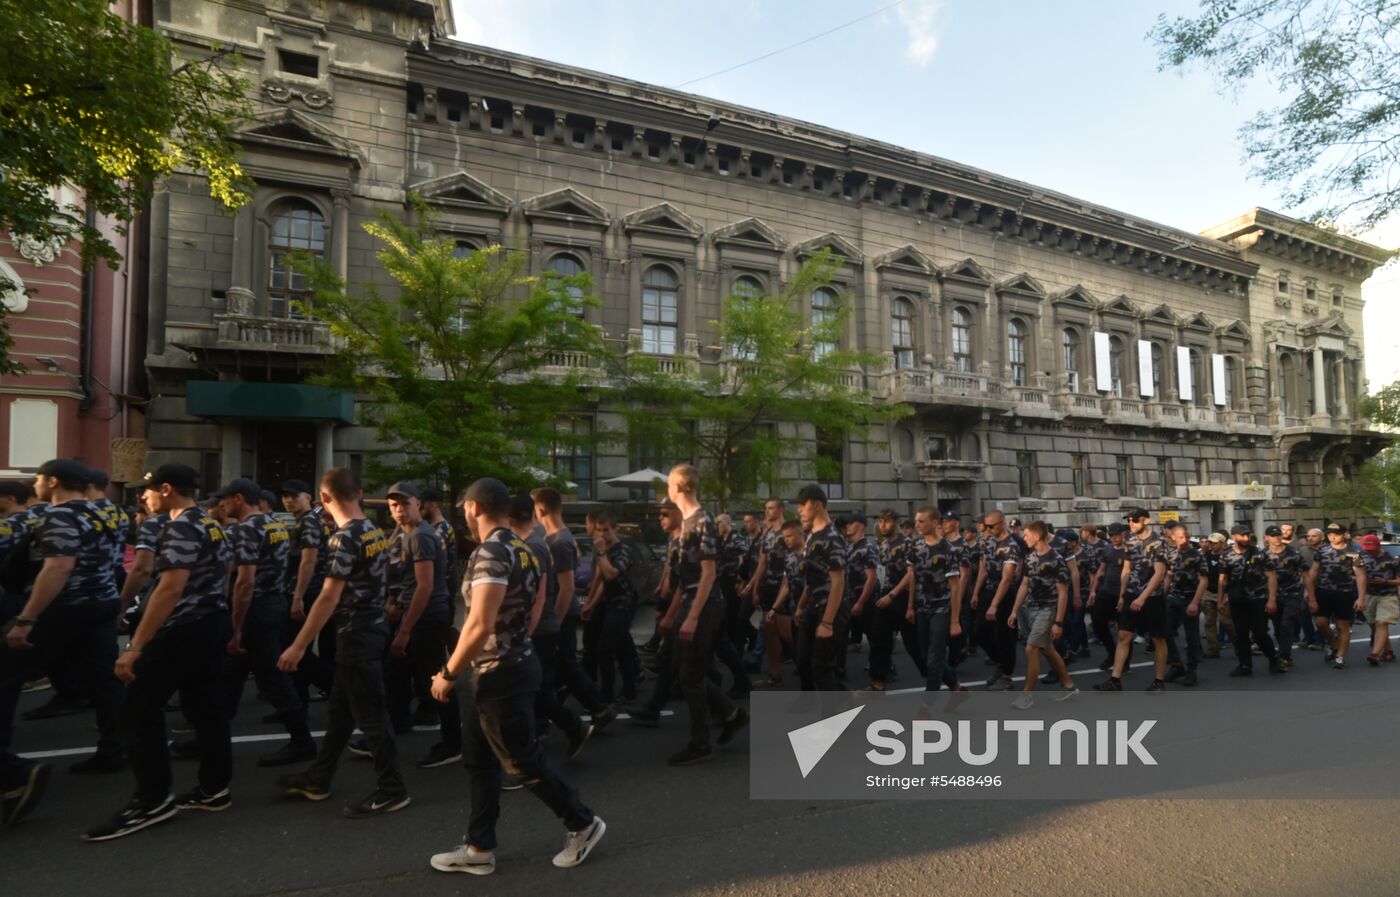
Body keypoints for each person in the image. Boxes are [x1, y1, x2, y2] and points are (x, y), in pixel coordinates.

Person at [427, 478, 604, 875]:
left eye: (464, 507)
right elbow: (535, 606)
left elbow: (479, 623)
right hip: (497, 667)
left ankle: (583, 823)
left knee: (521, 762)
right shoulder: (523, 549)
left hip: (501, 674)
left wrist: (448, 673)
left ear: (473, 507)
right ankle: (479, 847)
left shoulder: (492, 551)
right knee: (479, 761)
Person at [85, 464, 233, 840]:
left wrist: (135, 646)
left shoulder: (181, 525)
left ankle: (152, 800)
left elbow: (169, 588)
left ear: (166, 489)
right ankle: (214, 788)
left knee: (137, 707)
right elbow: (225, 570)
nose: (144, 498)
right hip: (212, 620)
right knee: (206, 708)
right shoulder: (211, 522)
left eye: (147, 491)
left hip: (185, 627)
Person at [2, 460, 127, 829]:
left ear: (53, 482)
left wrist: (26, 618)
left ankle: (11, 773)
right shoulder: (107, 513)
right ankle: (114, 748)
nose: (35, 486)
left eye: (38, 479)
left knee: (4, 675)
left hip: (63, 606)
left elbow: (58, 567)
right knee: (105, 681)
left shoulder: (58, 516)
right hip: (101, 604)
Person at [276, 468, 408, 818]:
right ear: (360, 494)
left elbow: (328, 596)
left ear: (323, 498)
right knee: (340, 712)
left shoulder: (344, 537)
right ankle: (318, 777)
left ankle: (392, 788)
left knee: (372, 716)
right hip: (372, 628)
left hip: (357, 634)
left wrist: (299, 646)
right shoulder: (374, 531)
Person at [216, 478, 312, 766]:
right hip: (274, 604)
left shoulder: (247, 529)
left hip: (256, 610)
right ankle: (211, 732)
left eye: (226, 499)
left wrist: (235, 627)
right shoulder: (275, 525)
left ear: (239, 499)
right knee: (231, 674)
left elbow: (245, 582)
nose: (221, 504)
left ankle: (302, 740)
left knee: (272, 676)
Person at [657, 465, 748, 766]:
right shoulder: (686, 523)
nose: (667, 488)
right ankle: (731, 713)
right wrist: (675, 614)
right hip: (691, 602)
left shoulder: (703, 521)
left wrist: (693, 616)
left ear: (679, 487)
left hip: (705, 605)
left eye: (669, 483)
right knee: (683, 669)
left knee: (690, 675)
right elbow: (687, 576)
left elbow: (708, 574)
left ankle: (701, 743)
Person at [384, 481, 462, 768]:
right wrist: (395, 603)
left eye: (405, 504)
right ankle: (390, 729)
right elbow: (408, 581)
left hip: (427, 617)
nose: (399, 510)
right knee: (395, 674)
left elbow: (425, 587)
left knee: (437, 681)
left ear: (419, 504)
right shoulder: (407, 534)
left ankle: (453, 743)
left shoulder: (421, 536)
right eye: (394, 505)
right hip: (418, 614)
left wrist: (404, 630)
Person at [529, 488, 613, 730]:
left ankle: (595, 708)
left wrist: (552, 623)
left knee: (565, 665)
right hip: (559, 614)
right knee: (564, 666)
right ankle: (595, 709)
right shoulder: (553, 538)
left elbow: (567, 588)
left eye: (534, 508)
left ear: (541, 509)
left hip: (561, 614)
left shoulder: (560, 541)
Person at [1095, 509, 1169, 692]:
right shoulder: (1129, 539)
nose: (1131, 523)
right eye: (1129, 520)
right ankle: (1115, 679)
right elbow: (1127, 568)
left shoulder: (1158, 542)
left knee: (1158, 638)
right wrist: (1122, 595)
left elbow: (1160, 573)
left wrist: (1143, 598)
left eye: (1135, 520)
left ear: (1146, 520)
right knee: (1123, 635)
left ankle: (1159, 681)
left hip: (1152, 597)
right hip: (1131, 593)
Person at [1006, 521, 1076, 707]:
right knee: (1047, 649)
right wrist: (1014, 610)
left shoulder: (1056, 559)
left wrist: (1059, 622)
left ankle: (1027, 695)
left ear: (1037, 537)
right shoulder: (1030, 557)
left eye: (1026, 534)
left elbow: (1063, 592)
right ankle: (1069, 686)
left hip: (1048, 609)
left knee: (1031, 648)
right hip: (1031, 609)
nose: (1023, 537)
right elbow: (1024, 584)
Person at [900, 506, 962, 692]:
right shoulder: (915, 547)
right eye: (916, 521)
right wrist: (910, 606)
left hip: (941, 609)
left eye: (921, 521)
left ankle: (928, 708)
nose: (917, 524)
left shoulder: (948, 549)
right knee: (927, 656)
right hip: (921, 607)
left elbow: (955, 586)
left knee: (934, 659)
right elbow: (912, 577)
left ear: (935, 523)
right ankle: (956, 688)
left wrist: (955, 621)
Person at [793, 485, 847, 695]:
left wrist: (827, 622)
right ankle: (842, 698)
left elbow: (838, 582)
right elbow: (812, 576)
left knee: (821, 666)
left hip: (831, 607)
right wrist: (801, 606)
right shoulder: (812, 535)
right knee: (802, 659)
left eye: (803, 505)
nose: (800, 510)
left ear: (816, 505)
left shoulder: (831, 537)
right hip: (813, 606)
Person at [587, 509, 640, 710]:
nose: (602, 535)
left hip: (623, 602)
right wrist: (590, 603)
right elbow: (599, 577)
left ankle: (606, 695)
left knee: (605, 649)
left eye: (606, 530)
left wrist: (601, 552)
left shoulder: (622, 550)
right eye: (599, 530)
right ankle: (630, 690)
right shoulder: (602, 548)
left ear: (615, 529)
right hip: (610, 602)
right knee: (622, 648)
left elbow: (610, 575)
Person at [1218, 523, 1284, 676]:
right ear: (1234, 536)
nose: (1246, 538)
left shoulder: (1259, 554)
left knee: (1259, 632)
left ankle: (1273, 657)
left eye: (1248, 535)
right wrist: (1220, 600)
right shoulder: (1226, 554)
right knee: (1240, 633)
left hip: (1258, 598)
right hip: (1237, 599)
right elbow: (1223, 579)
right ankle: (1245, 665)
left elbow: (1271, 577)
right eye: (1242, 535)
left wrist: (1271, 599)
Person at [867, 509, 919, 692]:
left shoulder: (907, 543)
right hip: (886, 594)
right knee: (879, 639)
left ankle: (949, 682)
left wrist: (892, 595)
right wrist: (885, 593)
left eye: (887, 522)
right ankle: (878, 681)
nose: (883, 525)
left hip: (903, 595)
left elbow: (910, 575)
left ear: (896, 522)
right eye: (880, 521)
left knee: (915, 646)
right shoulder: (883, 544)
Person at [745, 498, 791, 688]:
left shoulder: (788, 532)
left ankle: (809, 667)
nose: (767, 512)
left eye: (771, 508)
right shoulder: (767, 534)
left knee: (787, 632)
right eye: (765, 509)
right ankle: (775, 674)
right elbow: (761, 564)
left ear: (781, 509)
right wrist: (754, 589)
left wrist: (784, 591)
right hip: (767, 587)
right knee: (768, 630)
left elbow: (792, 563)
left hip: (784, 586)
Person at [973, 511, 1020, 690]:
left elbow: (1007, 578)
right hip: (989, 589)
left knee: (1004, 635)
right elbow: (983, 568)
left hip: (1006, 594)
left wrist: (994, 604)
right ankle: (1000, 662)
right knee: (980, 632)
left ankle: (1006, 675)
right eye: (986, 526)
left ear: (1003, 523)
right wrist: (976, 592)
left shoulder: (1011, 545)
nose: (988, 529)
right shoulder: (988, 542)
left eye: (992, 526)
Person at [1310, 522, 1366, 670]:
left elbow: (1360, 575)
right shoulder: (1322, 550)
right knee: (1320, 622)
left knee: (1343, 625)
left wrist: (1361, 598)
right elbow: (1314, 570)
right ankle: (1333, 643)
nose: (1332, 537)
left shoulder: (1353, 552)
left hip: (1344, 593)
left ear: (1344, 534)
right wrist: (1308, 591)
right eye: (1329, 534)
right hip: (1323, 590)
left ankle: (1340, 657)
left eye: (1336, 534)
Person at [1161, 521, 1207, 687]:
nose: (1184, 539)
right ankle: (1176, 665)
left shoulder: (1197, 554)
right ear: (1172, 537)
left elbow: (1203, 580)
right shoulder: (1171, 553)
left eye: (1186, 536)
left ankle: (1191, 670)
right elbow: (1169, 575)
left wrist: (1195, 603)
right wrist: (1163, 594)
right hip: (1173, 598)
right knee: (1165, 631)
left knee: (1191, 636)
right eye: (1180, 537)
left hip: (1190, 598)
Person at [1262, 524, 1307, 671]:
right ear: (1267, 537)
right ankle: (1280, 653)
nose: (1276, 538)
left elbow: (1305, 574)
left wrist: (1309, 593)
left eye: (1278, 535)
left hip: (1292, 593)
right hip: (1272, 596)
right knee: (1277, 626)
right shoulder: (1261, 555)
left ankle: (1285, 656)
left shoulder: (1293, 553)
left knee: (1286, 624)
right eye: (1273, 535)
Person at [841, 515, 878, 688]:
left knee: (872, 635)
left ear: (861, 526)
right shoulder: (849, 546)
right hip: (849, 598)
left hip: (865, 599)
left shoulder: (867, 548)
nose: (848, 526)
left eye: (851, 523)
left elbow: (871, 578)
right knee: (841, 634)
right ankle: (839, 669)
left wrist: (861, 602)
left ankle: (883, 667)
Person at [1087, 523, 1127, 670]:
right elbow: (1101, 571)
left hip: (1123, 593)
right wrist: (1093, 591)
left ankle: (1124, 662)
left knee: (1124, 631)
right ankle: (1112, 653)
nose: (1114, 538)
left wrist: (1124, 596)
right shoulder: (1107, 549)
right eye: (1112, 535)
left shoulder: (1130, 550)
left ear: (1123, 534)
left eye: (1117, 535)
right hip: (1106, 591)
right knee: (1098, 622)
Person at [1358, 534, 1398, 665]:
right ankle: (1389, 651)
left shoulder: (1392, 559)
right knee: (1374, 625)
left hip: (1388, 595)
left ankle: (1374, 654)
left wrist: (1385, 581)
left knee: (1382, 623)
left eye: (1372, 548)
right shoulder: (1360, 557)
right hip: (1369, 594)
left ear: (1379, 545)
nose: (1369, 550)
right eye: (1366, 548)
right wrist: (1360, 597)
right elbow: (1356, 575)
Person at [1199, 531, 1233, 658]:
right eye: (1210, 543)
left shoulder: (1228, 556)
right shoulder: (1206, 555)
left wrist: (1227, 594)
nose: (1211, 545)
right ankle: (1213, 648)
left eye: (1214, 543)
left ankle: (1239, 646)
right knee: (1209, 622)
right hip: (1209, 592)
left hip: (1224, 593)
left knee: (1227, 622)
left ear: (1222, 543)